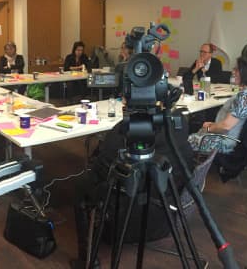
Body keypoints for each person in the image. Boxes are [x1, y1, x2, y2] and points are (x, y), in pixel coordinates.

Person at [71, 108, 195, 268]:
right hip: (167, 214)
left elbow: (100, 172)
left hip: (123, 219)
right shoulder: (178, 127)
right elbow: (189, 166)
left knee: (81, 185)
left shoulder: (120, 133)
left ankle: (86, 261)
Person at [188, 57, 247, 155]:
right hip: (237, 139)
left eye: (236, 69)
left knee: (185, 143)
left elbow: (226, 126)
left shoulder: (245, 97)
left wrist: (208, 128)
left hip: (227, 143)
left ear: (245, 73)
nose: (233, 72)